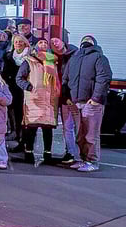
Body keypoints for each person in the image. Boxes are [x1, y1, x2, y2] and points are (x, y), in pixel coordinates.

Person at [64, 35, 112, 172]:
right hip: (75, 102)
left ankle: (92, 161)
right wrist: (67, 97)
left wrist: (96, 98)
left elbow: (104, 78)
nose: (86, 41)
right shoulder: (74, 58)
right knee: (80, 134)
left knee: (91, 134)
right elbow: (66, 78)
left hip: (92, 103)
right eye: (84, 39)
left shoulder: (99, 58)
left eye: (89, 40)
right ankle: (82, 159)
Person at [16, 38, 57, 165]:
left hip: (49, 98)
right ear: (36, 46)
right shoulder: (29, 61)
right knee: (32, 127)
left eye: (45, 43)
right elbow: (19, 78)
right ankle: (29, 153)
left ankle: (48, 154)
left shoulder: (52, 61)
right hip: (34, 97)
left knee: (47, 128)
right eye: (41, 43)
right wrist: (29, 87)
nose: (44, 44)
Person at [51, 37, 80, 166]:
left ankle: (80, 155)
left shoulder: (75, 56)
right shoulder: (53, 58)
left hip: (74, 97)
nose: (54, 44)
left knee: (78, 127)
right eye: (52, 43)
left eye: (56, 40)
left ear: (64, 41)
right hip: (63, 97)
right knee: (67, 127)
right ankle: (70, 152)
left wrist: (70, 96)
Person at [3, 34, 30, 151]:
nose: (18, 43)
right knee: (17, 116)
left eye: (20, 41)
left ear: (25, 43)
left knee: (27, 117)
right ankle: (19, 138)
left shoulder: (31, 57)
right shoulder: (8, 56)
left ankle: (26, 141)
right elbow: (4, 73)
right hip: (13, 90)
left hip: (27, 90)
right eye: (16, 42)